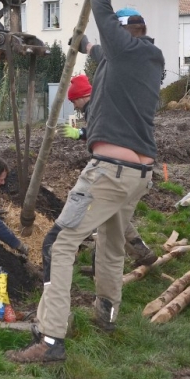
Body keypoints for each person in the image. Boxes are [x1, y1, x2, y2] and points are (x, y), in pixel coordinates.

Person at [7, 0, 164, 364]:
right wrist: (87, 46)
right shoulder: (141, 60)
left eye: (115, 37)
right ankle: (106, 317)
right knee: (111, 246)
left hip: (110, 174)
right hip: (137, 175)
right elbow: (103, 52)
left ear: (128, 34)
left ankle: (51, 339)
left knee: (60, 243)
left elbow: (103, 10)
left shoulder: (129, 51)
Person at [61, 74, 157, 269]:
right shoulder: (105, 103)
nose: (74, 107)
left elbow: (103, 131)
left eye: (73, 101)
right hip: (140, 171)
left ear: (81, 97)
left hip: (121, 171)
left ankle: (104, 268)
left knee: (107, 217)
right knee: (115, 216)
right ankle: (142, 253)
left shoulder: (96, 107)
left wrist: (80, 133)